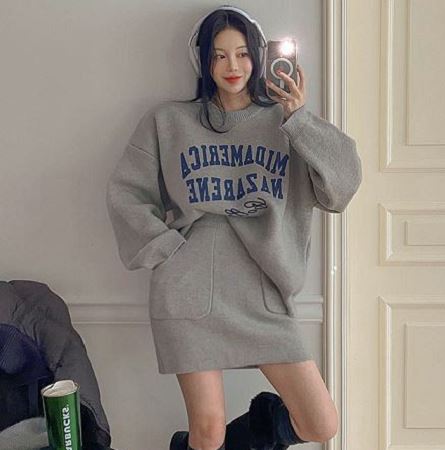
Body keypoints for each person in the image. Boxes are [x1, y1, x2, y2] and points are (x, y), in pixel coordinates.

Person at [105, 5, 362, 450]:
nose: (232, 66)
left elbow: (341, 189)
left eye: (242, 54)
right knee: (208, 435)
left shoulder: (285, 124)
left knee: (320, 423)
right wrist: (167, 250)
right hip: (189, 289)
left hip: (262, 295)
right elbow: (126, 193)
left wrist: (298, 117)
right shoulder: (168, 121)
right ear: (203, 61)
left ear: (258, 57)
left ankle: (251, 432)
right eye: (219, 55)